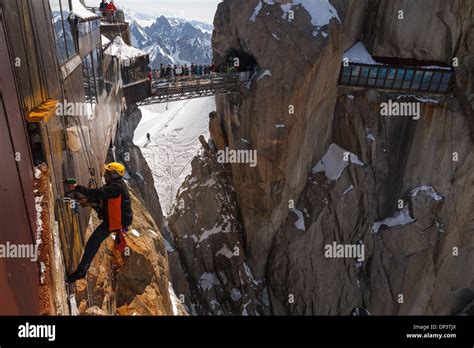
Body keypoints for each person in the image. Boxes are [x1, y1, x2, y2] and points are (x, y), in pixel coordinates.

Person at [65, 162, 133, 283]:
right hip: (114, 220)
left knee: (92, 243)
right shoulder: (117, 185)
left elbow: (98, 193)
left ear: (113, 174)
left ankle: (81, 271)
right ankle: (81, 270)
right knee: (93, 242)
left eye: (107, 173)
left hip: (113, 222)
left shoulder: (116, 187)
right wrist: (88, 198)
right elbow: (102, 196)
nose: (105, 175)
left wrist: (77, 187)